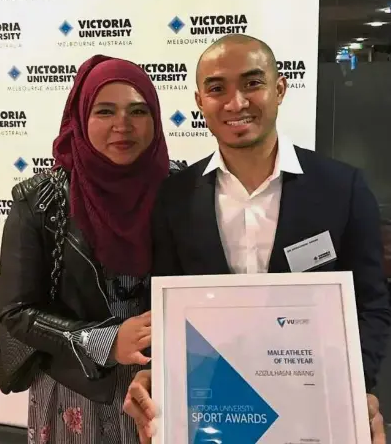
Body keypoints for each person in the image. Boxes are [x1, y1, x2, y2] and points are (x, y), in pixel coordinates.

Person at [123, 34, 391, 443]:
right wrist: (162, 375)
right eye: (217, 89)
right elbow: (166, 306)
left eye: (252, 83)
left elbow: (370, 303)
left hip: (312, 407)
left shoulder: (342, 189)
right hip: (214, 407)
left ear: (279, 88)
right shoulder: (175, 197)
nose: (235, 103)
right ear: (200, 101)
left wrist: (357, 386)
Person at [0, 55, 183, 443]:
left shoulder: (179, 191)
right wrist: (106, 340)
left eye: (138, 110)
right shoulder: (41, 200)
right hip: (76, 394)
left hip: (167, 386)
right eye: (105, 111)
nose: (123, 125)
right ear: (80, 118)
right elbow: (14, 312)